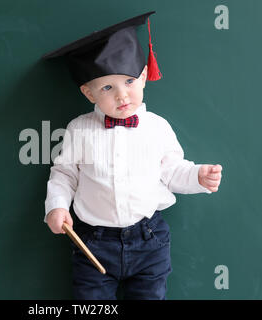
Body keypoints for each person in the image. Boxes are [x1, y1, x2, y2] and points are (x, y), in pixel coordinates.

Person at [42, 11, 223, 299]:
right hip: (93, 241)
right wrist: (56, 206)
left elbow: (173, 170)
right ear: (89, 94)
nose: (121, 96)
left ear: (142, 77)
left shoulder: (157, 127)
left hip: (149, 240)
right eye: (107, 87)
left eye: (128, 82)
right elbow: (64, 174)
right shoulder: (79, 130)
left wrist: (197, 176)